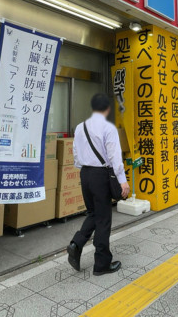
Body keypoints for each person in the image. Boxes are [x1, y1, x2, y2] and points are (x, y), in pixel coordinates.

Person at [67, 94, 130, 275]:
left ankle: (76, 244)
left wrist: (84, 167)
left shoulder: (80, 127)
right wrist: (123, 181)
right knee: (103, 219)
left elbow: (76, 155)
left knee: (94, 213)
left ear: (92, 107)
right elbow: (115, 156)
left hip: (85, 173)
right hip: (101, 175)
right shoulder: (108, 128)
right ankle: (102, 264)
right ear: (107, 109)